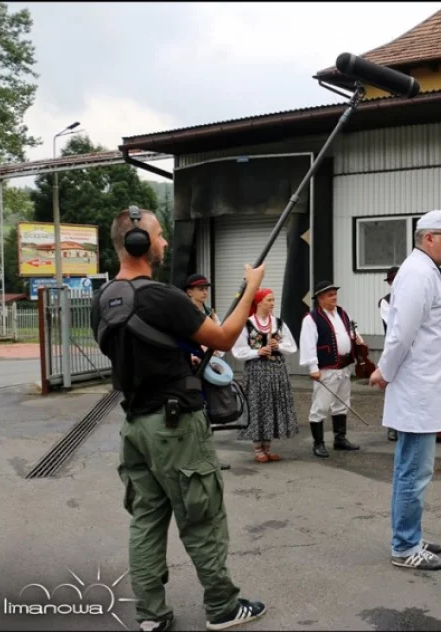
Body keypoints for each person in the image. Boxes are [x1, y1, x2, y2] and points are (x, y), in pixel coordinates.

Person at [91, 206, 267, 631]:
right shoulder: (161, 296)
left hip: (135, 427)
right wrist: (251, 289)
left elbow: (130, 351)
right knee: (201, 516)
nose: (165, 242)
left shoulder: (103, 300)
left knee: (147, 520)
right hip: (174, 427)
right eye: (158, 234)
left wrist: (174, 353)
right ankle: (223, 608)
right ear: (137, 242)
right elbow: (223, 338)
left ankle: (152, 616)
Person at [369, 210, 441, 571]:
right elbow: (401, 333)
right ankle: (405, 546)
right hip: (418, 392)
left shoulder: (426, 272)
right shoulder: (416, 273)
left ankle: (410, 534)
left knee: (415, 470)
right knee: (413, 470)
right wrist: (384, 371)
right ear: (429, 238)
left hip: (426, 391)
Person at [231, 288, 299, 462]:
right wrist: (258, 351)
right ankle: (257, 449)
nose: (272, 303)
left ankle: (267, 447)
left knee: (272, 407)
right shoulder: (247, 324)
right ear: (259, 302)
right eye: (269, 300)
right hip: (256, 371)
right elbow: (237, 350)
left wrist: (279, 347)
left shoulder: (278, 323)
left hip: (276, 371)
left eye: (273, 300)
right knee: (258, 406)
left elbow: (291, 346)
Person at [299, 281, 363, 458]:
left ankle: (339, 439)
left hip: (344, 366)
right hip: (326, 367)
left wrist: (357, 339)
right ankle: (318, 443)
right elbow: (308, 344)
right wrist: (313, 367)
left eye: (335, 293)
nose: (334, 297)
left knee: (342, 403)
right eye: (330, 294)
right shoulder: (311, 319)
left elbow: (351, 331)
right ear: (320, 298)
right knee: (320, 405)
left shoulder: (343, 313)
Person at [379, 265, 400, 442]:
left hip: (411, 348)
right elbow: (395, 325)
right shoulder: (385, 302)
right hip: (393, 348)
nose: (395, 283)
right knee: (392, 388)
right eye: (392, 281)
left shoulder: (410, 297)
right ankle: (392, 427)